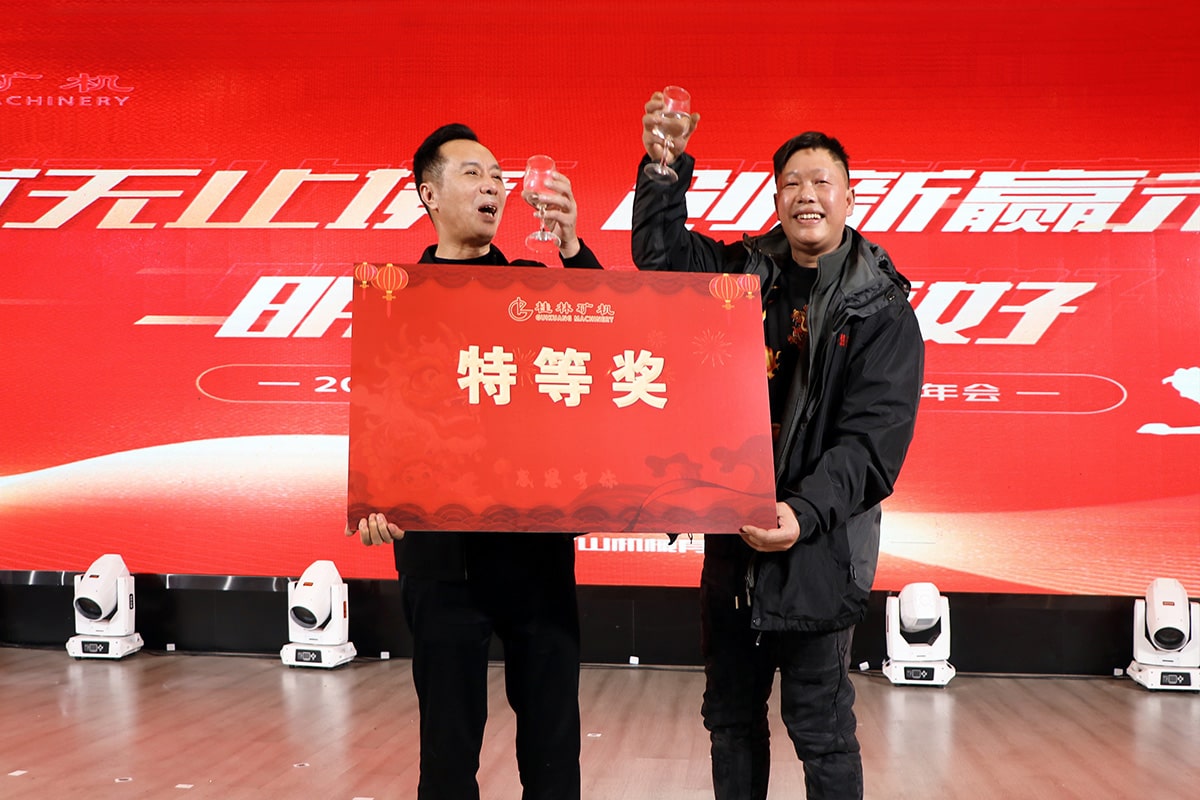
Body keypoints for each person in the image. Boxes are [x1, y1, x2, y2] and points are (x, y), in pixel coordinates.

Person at [631, 93, 925, 800]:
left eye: (821, 181)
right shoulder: (743, 273)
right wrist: (663, 169)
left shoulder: (882, 311)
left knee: (820, 730)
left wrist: (802, 512)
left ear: (849, 197)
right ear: (775, 198)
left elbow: (871, 446)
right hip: (732, 542)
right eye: (791, 183)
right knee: (731, 721)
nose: (806, 195)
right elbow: (661, 259)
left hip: (819, 548)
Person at [346, 123, 602, 800]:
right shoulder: (396, 298)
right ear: (428, 194)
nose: (493, 185)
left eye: (497, 176)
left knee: (553, 747)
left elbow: (608, 335)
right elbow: (382, 420)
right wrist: (374, 500)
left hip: (535, 553)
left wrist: (571, 247)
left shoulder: (531, 287)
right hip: (440, 559)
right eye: (472, 173)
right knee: (448, 750)